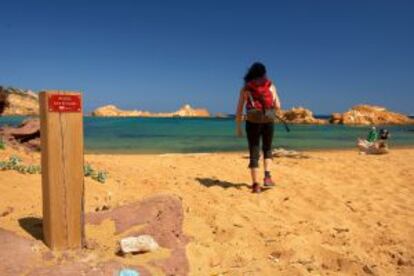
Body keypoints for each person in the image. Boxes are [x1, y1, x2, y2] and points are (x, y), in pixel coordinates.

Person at [235, 62, 281, 193]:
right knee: (267, 148)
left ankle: (255, 185)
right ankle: (267, 177)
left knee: (254, 150)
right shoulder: (270, 85)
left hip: (252, 120)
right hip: (269, 117)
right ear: (264, 73)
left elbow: (239, 109)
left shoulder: (245, 88)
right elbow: (277, 105)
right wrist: (270, 110)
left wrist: (238, 127)